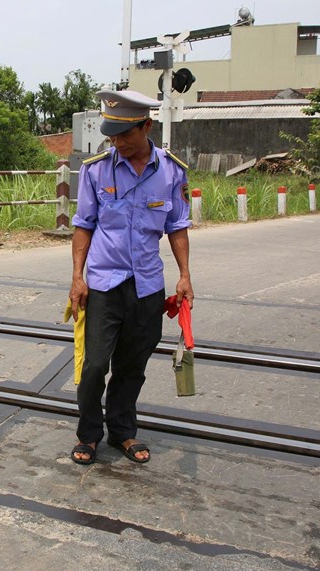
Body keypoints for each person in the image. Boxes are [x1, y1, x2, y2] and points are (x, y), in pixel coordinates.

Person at [69, 89, 194, 465]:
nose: (117, 143)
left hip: (147, 288)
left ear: (146, 127)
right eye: (112, 135)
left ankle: (122, 431)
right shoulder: (96, 170)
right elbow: (83, 226)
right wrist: (77, 277)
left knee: (132, 366)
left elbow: (178, 227)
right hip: (104, 285)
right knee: (93, 366)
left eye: (125, 135)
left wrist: (185, 275)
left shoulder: (172, 171)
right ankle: (89, 433)